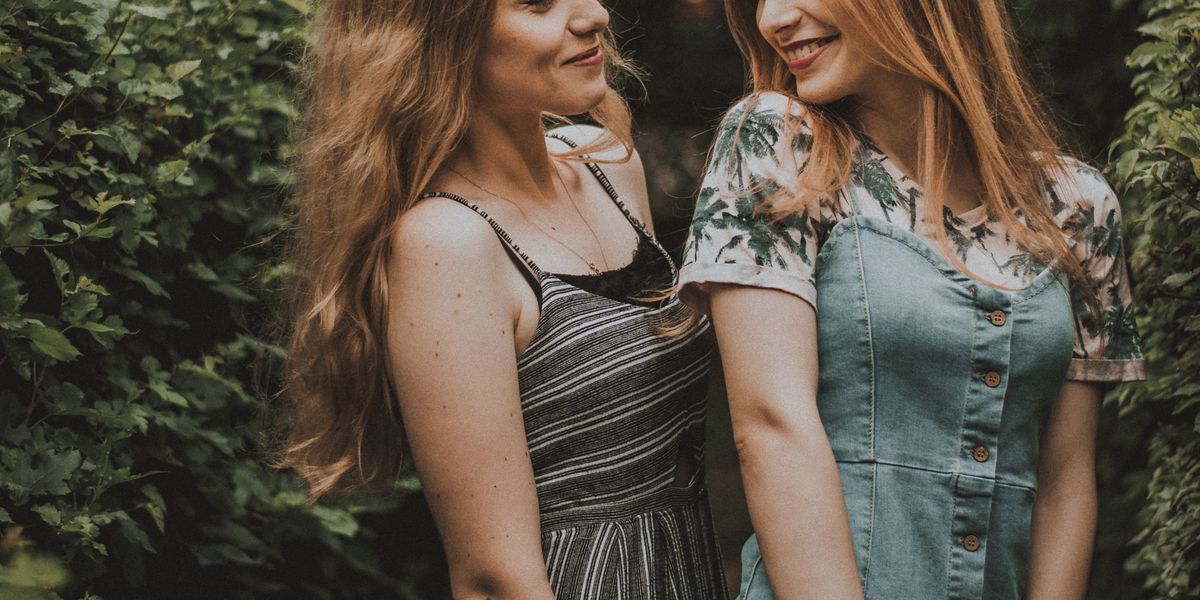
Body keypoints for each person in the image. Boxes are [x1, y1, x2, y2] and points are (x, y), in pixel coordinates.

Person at [678, 0, 1146, 598]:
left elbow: (1065, 479)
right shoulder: (779, 144)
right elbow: (771, 426)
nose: (772, 20)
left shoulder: (1075, 206)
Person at [280, 1, 727, 598]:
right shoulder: (446, 243)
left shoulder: (607, 164)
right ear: (439, 36)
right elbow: (494, 578)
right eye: (538, 2)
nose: (594, 14)